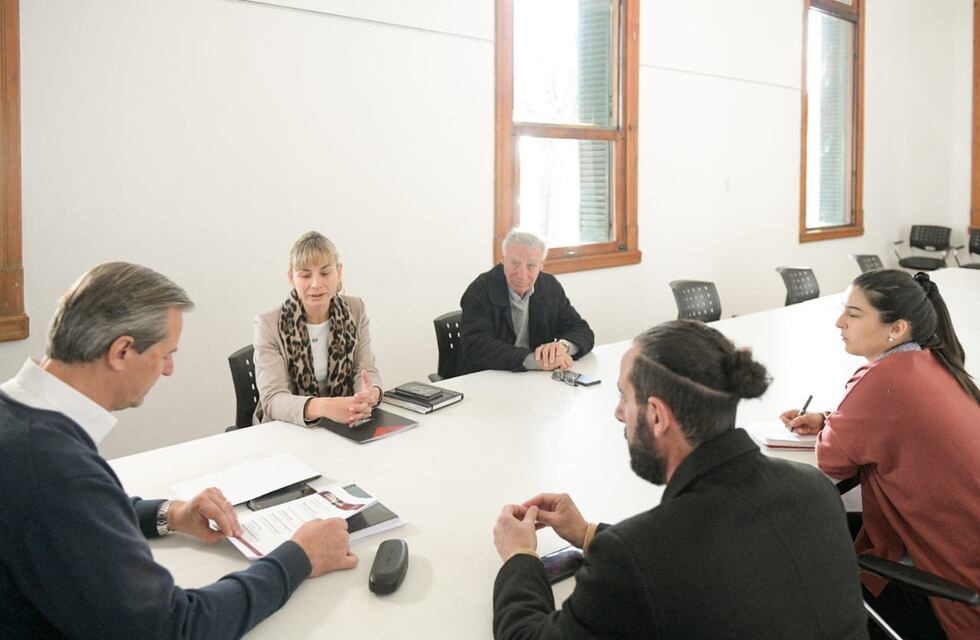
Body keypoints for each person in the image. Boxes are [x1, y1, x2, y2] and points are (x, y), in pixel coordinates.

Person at [0, 262, 358, 639]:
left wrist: (170, 514)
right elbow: (174, 628)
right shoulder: (54, 471)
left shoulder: (20, 418)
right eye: (166, 354)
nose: (169, 369)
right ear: (122, 351)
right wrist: (299, 557)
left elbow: (76, 513)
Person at [491, 320, 868, 640]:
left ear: (656, 415)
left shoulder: (634, 555)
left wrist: (520, 556)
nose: (619, 413)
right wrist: (588, 533)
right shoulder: (814, 488)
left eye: (625, 397)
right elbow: (708, 556)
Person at [780, 270, 980, 640]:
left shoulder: (882, 377)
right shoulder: (935, 361)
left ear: (896, 329)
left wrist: (834, 425)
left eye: (853, 314)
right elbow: (894, 422)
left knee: (792, 550)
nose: (839, 322)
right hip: (964, 557)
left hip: (945, 589)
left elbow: (832, 460)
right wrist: (830, 419)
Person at [254, 231, 381, 426]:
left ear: (339, 272)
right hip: (288, 427)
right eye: (305, 275)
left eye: (325, 273)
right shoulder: (268, 324)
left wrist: (369, 394)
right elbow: (273, 399)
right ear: (291, 277)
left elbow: (364, 369)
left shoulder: (356, 309)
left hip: (346, 421)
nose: (315, 284)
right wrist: (324, 407)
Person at [460, 229, 594, 374]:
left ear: (541, 265)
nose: (522, 274)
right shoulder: (480, 290)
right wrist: (535, 360)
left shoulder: (550, 287)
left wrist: (562, 347)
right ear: (503, 260)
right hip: (489, 376)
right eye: (515, 263)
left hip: (536, 378)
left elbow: (582, 330)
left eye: (531, 265)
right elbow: (476, 346)